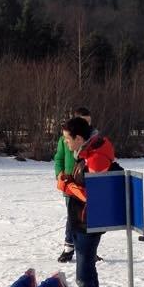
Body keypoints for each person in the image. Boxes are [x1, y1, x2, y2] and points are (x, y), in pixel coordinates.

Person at [56, 116, 120, 287]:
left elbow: (95, 196)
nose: (65, 143)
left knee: (84, 273)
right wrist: (69, 181)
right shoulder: (86, 152)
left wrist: (68, 186)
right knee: (86, 270)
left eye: (67, 139)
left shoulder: (95, 158)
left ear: (79, 138)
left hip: (89, 222)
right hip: (81, 219)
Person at [54, 107, 94, 263]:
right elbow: (58, 159)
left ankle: (88, 248)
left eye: (89, 122)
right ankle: (69, 246)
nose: (87, 126)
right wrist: (59, 173)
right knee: (73, 215)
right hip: (70, 184)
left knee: (87, 216)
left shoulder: (93, 139)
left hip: (86, 184)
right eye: (84, 122)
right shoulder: (66, 139)